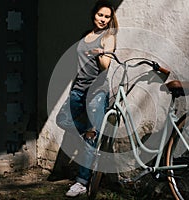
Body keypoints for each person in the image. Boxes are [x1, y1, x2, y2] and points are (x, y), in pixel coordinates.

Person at [65, 0, 118, 197]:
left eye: (107, 16)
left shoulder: (108, 37)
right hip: (78, 90)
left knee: (90, 138)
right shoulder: (85, 36)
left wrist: (100, 52)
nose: (103, 19)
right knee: (63, 120)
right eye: (100, 15)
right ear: (93, 14)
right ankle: (92, 144)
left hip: (96, 92)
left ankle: (81, 182)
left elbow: (105, 66)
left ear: (110, 19)